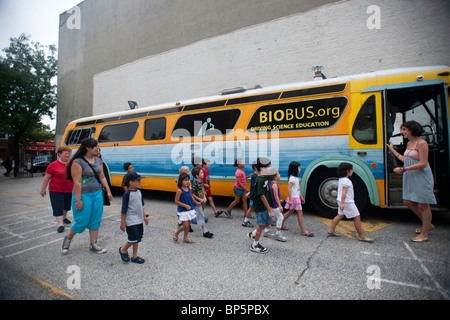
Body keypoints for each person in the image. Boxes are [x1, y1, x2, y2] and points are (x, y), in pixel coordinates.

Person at [61, 138, 113, 255]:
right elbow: (77, 182)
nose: (97, 148)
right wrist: (78, 200)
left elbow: (102, 177)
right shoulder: (78, 162)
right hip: (83, 194)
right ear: (88, 148)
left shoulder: (98, 160)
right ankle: (68, 239)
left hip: (97, 193)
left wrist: (108, 191)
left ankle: (93, 244)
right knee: (81, 221)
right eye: (95, 146)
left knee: (95, 219)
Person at [387, 120, 436, 242]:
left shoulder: (421, 143)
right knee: (408, 201)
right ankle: (427, 224)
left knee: (423, 204)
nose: (402, 132)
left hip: (421, 176)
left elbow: (423, 163)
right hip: (411, 176)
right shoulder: (410, 143)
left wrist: (404, 169)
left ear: (411, 129)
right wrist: (393, 151)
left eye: (404, 129)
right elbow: (406, 159)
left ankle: (424, 234)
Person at [328, 162, 374, 242]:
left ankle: (331, 230)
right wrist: (343, 203)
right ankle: (361, 236)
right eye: (351, 170)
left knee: (340, 215)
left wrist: (341, 202)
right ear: (347, 171)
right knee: (357, 217)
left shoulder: (341, 179)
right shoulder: (347, 181)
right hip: (347, 202)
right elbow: (344, 192)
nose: (352, 171)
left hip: (341, 201)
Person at [40, 147, 74, 233]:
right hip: (56, 189)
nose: (67, 155)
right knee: (58, 206)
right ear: (59, 154)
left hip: (69, 189)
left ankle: (64, 217)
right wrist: (43, 189)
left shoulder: (72, 164)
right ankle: (60, 224)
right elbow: (46, 178)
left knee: (67, 205)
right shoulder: (53, 165)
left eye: (68, 153)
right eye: (65, 153)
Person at [119, 172, 148, 264]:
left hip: (139, 219)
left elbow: (141, 205)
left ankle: (135, 256)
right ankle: (123, 249)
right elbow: (123, 210)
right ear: (131, 182)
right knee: (133, 237)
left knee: (137, 238)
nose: (140, 182)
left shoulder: (139, 192)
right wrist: (122, 222)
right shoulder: (127, 194)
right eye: (138, 181)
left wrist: (144, 216)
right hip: (130, 220)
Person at [281, 161, 313, 237]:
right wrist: (291, 200)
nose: (300, 169)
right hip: (294, 198)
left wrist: (301, 197)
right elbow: (289, 189)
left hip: (296, 198)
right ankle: (303, 230)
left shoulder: (295, 178)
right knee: (300, 213)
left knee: (290, 212)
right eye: (299, 167)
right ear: (295, 169)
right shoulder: (292, 178)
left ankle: (280, 224)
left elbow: (296, 189)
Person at [249, 157, 273, 253]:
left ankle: (253, 234)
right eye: (268, 167)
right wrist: (270, 209)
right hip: (260, 206)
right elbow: (262, 196)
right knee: (261, 225)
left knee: (269, 222)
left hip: (264, 206)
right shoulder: (259, 180)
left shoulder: (264, 178)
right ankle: (254, 245)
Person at [173, 172, 196, 243]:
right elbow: (176, 201)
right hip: (183, 210)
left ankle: (185, 237)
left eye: (188, 180)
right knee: (185, 225)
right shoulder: (179, 190)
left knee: (188, 224)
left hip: (190, 208)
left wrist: (196, 202)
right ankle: (176, 232)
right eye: (185, 180)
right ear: (181, 181)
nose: (187, 182)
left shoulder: (189, 189)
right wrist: (185, 205)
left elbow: (191, 197)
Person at [191, 167, 214, 238]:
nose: (203, 173)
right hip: (196, 203)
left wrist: (204, 197)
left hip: (200, 202)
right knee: (200, 216)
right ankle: (205, 231)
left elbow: (202, 190)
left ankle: (185, 224)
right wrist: (199, 200)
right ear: (197, 175)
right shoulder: (194, 184)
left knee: (192, 215)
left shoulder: (201, 182)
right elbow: (192, 194)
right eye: (201, 173)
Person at [268, 168, 287, 241]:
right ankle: (278, 233)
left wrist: (279, 200)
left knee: (271, 218)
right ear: (274, 176)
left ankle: (266, 231)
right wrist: (279, 205)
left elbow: (273, 196)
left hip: (273, 204)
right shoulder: (274, 185)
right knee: (280, 217)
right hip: (275, 205)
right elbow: (275, 196)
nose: (280, 175)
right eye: (278, 174)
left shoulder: (271, 184)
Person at [242, 161, 258, 227]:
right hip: (254, 195)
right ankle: (245, 220)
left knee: (253, 208)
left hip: (254, 194)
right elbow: (254, 187)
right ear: (256, 167)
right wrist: (250, 192)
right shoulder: (255, 176)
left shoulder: (255, 175)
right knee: (251, 208)